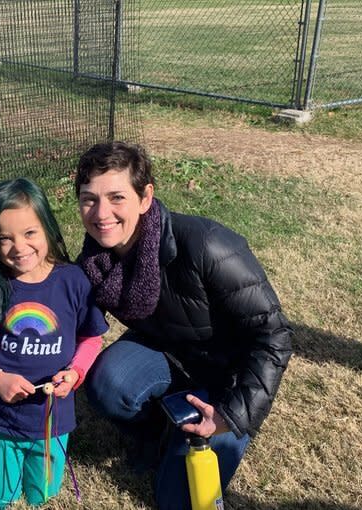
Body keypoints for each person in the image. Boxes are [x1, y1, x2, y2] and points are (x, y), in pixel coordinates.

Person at [74, 141, 293, 509]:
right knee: (108, 382)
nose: (101, 213)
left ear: (145, 198)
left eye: (116, 197)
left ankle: (196, 429)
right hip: (168, 354)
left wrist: (232, 414)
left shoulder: (208, 245)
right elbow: (72, 324)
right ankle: (156, 430)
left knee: (180, 501)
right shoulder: (96, 261)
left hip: (230, 377)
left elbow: (273, 336)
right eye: (89, 199)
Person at [0, 177, 108, 509]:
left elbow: (91, 338)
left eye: (30, 233)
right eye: (5, 238)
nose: (19, 247)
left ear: (48, 227)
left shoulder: (74, 281)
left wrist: (76, 373)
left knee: (42, 496)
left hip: (53, 421)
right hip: (1, 418)